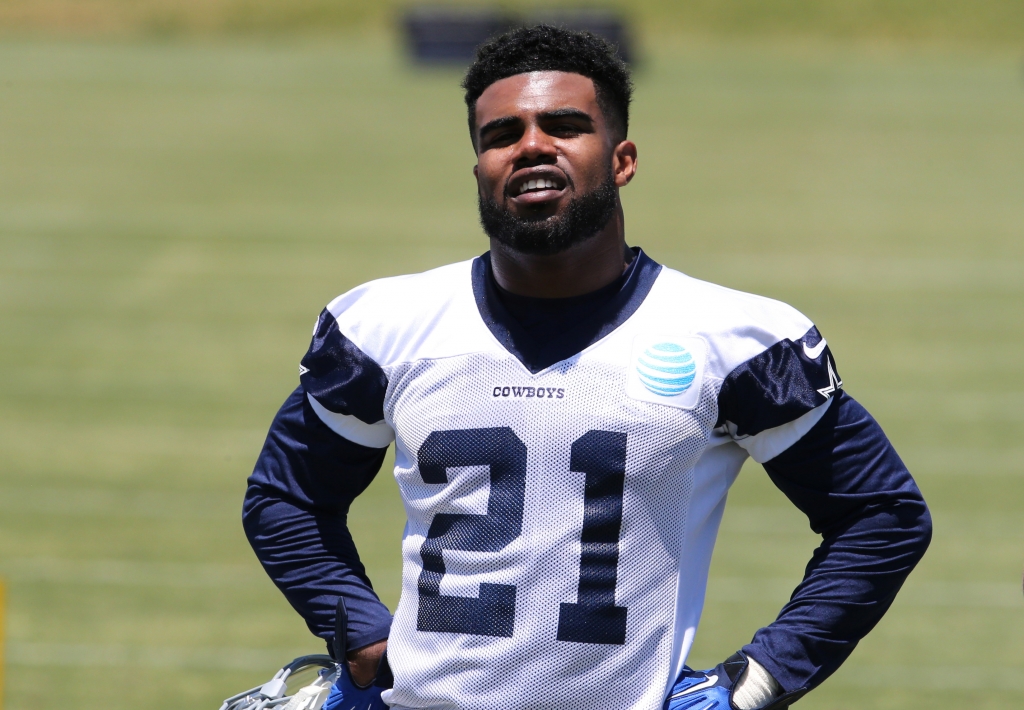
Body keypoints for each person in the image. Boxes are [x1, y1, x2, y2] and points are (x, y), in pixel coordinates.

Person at [243, 25, 931, 710]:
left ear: (622, 159)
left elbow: (880, 514)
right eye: (501, 135)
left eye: (565, 126)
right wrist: (360, 634)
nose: (532, 146)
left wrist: (759, 679)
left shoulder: (733, 340)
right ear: (479, 167)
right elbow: (287, 498)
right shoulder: (388, 326)